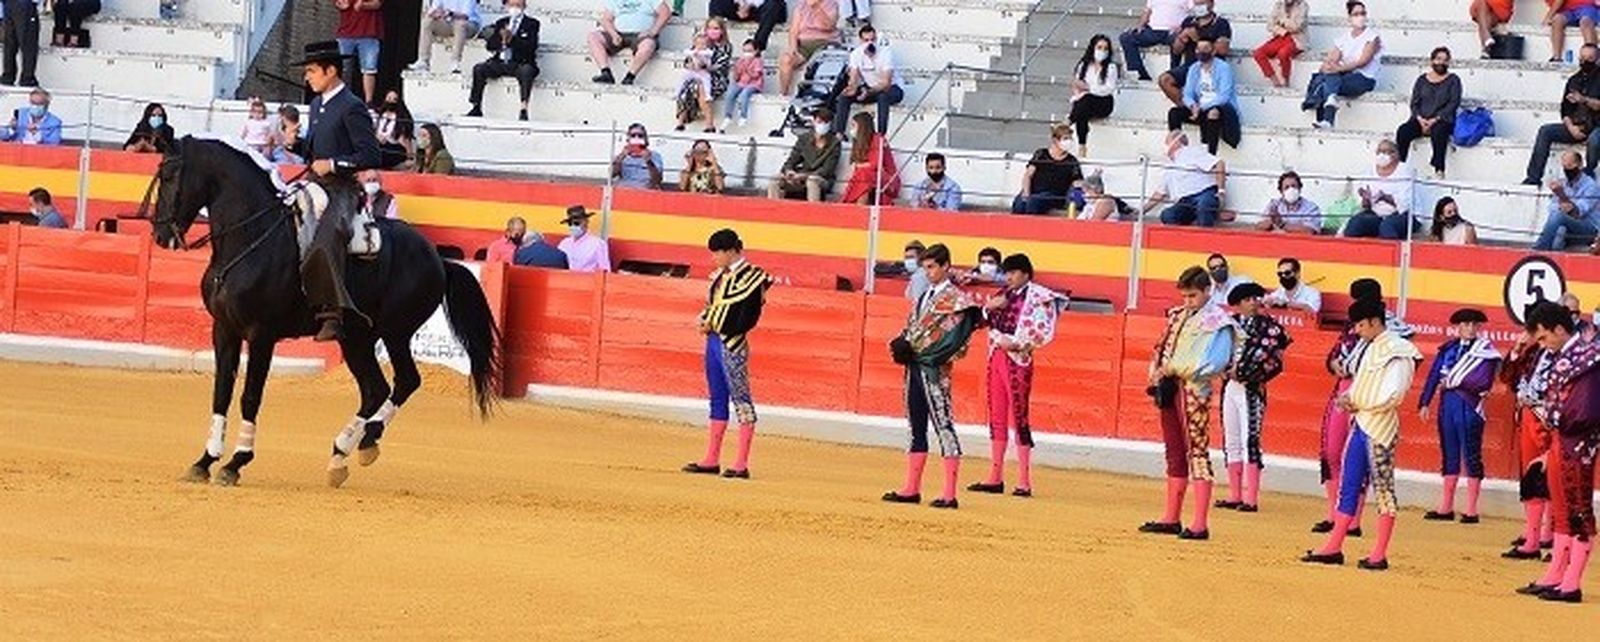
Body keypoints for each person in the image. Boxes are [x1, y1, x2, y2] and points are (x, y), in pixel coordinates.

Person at [1301, 298, 1421, 571]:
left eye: (1360, 324)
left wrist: (1358, 403)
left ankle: (1379, 554)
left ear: (1375, 322)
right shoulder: (1370, 347)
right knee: (1349, 484)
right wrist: (1348, 398)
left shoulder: (1400, 351)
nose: (1355, 330)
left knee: (1383, 490)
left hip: (1381, 428)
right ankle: (1334, 546)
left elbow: (1394, 395)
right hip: (1362, 423)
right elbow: (1362, 385)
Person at [883, 243, 983, 510]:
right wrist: (901, 343)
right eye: (925, 267)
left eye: (931, 267)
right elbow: (912, 328)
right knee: (915, 426)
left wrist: (923, 353)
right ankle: (911, 488)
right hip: (914, 368)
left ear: (945, 266)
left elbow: (955, 341)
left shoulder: (957, 300)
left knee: (943, 425)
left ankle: (949, 494)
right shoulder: (925, 296)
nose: (927, 273)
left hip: (935, 371)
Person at [295, 41, 383, 342]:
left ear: (331, 71)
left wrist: (333, 164)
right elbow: (313, 151)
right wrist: (295, 144)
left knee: (326, 238)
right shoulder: (318, 104)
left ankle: (333, 313)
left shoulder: (353, 105)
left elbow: (371, 155)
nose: (307, 77)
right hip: (314, 183)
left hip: (342, 190)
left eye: (311, 71)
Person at [1140, 265, 1236, 540]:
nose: (1187, 302)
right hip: (1170, 388)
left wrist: (1172, 368)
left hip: (1195, 389)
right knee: (1174, 451)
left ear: (1208, 291)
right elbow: (1160, 347)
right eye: (1184, 296)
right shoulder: (1178, 316)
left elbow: (1215, 362)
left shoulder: (1218, 321)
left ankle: (1199, 524)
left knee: (1197, 451)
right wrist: (1157, 375)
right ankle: (1171, 518)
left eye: (1192, 296)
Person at [1312, 278, 1412, 538]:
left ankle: (1353, 521)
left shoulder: (1392, 336)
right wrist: (1336, 367)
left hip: (1371, 403)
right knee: (1334, 452)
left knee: (1369, 466)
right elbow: (1333, 356)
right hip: (1348, 390)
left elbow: (1392, 390)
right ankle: (1336, 515)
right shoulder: (1356, 325)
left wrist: (1358, 398)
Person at [1516, 299, 1600, 602]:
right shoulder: (1568, 353)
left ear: (1560, 329)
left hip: (1577, 441)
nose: (1542, 344)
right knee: (1563, 512)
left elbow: (1585, 409)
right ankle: (1556, 576)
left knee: (1578, 510)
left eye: (1543, 337)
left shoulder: (1590, 356)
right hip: (1560, 439)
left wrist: (1555, 421)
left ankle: (1572, 583)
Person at [969, 253, 1067, 498]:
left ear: (1025, 273)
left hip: (1018, 360)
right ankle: (995, 477)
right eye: (1007, 273)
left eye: (1012, 273)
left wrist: (1018, 344)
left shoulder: (1039, 296)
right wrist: (987, 308)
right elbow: (982, 322)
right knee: (998, 415)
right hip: (996, 356)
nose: (1009, 277)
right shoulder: (1003, 294)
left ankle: (1024, 481)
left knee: (1019, 417)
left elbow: (1044, 329)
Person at [684, 229, 773, 479]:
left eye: (717, 253)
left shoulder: (754, 278)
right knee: (717, 397)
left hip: (733, 342)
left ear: (731, 251)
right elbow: (711, 306)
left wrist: (716, 324)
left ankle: (741, 464)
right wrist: (705, 321)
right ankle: (711, 459)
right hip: (712, 342)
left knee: (741, 400)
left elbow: (749, 318)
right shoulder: (719, 278)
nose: (714, 258)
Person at [1417, 308, 1500, 525]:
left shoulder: (1486, 351)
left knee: (1471, 454)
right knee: (1449, 452)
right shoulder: (1447, 349)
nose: (1471, 328)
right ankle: (1446, 507)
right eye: (1466, 324)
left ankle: (1471, 510)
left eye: (1475, 325)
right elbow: (1434, 375)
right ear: (1458, 327)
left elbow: (1483, 382)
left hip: (1470, 405)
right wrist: (1424, 402)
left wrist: (1455, 382)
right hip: (1448, 405)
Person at [1217, 283, 1291, 512]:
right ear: (1238, 305)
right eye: (1248, 299)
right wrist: (1222, 369)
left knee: (1251, 441)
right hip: (1230, 387)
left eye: (1255, 298)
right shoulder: (1230, 324)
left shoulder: (1268, 327)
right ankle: (1235, 494)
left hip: (1251, 388)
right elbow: (1218, 350)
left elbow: (1271, 356)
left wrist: (1239, 372)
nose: (1254, 302)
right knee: (1232, 440)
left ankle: (1251, 499)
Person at [1500, 327, 1556, 561]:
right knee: (1530, 477)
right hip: (1529, 416)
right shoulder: (1531, 353)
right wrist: (1516, 350)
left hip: (1552, 421)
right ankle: (1533, 540)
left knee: (1556, 479)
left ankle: (1552, 538)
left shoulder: (1567, 355)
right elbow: (1508, 380)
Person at [1524, 44, 1600, 185]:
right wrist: (1571, 127)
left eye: (1590, 58)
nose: (1585, 61)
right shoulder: (1574, 80)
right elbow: (1565, 109)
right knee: (1545, 131)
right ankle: (1533, 177)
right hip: (1577, 125)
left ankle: (1588, 173)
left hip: (1596, 126)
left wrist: (1584, 100)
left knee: (1595, 139)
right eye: (1583, 57)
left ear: (1597, 59)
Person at [1302, 1, 1382, 129]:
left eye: (1363, 13)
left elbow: (1362, 62)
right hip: (1344, 77)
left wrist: (1338, 68)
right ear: (1349, 17)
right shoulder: (1344, 39)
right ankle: (1330, 107)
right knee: (1329, 77)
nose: (1360, 17)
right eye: (1356, 14)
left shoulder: (1372, 37)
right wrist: (1328, 66)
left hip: (1364, 78)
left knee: (1328, 81)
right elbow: (1331, 59)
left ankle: (1325, 118)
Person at [1165, 36, 1240, 155]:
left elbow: (1224, 97)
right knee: (1174, 113)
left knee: (1213, 112)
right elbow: (1187, 94)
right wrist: (1193, 106)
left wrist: (1202, 108)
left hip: (1222, 108)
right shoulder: (1194, 68)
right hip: (1199, 108)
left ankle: (1210, 154)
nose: (1201, 52)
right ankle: (1177, 148)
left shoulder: (1223, 68)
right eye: (1199, 48)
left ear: (1213, 51)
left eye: (1205, 48)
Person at [467, 0, 540, 121]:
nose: (515, 8)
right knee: (479, 69)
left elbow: (531, 47)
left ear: (524, 6)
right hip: (500, 61)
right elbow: (490, 46)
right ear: (506, 6)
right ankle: (476, 106)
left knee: (527, 71)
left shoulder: (532, 23)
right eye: (512, 5)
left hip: (520, 62)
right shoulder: (501, 22)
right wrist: (499, 38)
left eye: (518, 5)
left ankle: (523, 108)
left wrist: (512, 39)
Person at [1395, 48, 1462, 179]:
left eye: (1445, 60)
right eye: (1438, 59)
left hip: (1442, 120)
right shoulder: (1421, 80)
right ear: (1432, 60)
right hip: (1421, 119)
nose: (1441, 62)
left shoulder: (1454, 80)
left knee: (1439, 132)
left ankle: (1439, 169)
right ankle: (1400, 166)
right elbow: (1414, 103)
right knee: (1403, 131)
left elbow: (1453, 103)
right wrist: (1420, 119)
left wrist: (1435, 119)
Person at [834, 23, 903, 139]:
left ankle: (881, 135)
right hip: (871, 89)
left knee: (883, 97)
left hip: (892, 89)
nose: (870, 43)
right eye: (866, 40)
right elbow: (854, 78)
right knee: (844, 97)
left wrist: (868, 91)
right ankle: (839, 133)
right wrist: (852, 88)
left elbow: (886, 84)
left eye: (873, 39)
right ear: (861, 41)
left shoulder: (885, 53)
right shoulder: (856, 54)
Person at [1156, 1, 1232, 106]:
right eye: (1196, 3)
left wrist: (1198, 39)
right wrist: (1182, 37)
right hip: (1190, 66)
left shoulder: (1221, 23)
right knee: (1165, 80)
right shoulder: (1188, 21)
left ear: (1211, 3)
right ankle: (1189, 108)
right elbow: (1176, 50)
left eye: (1202, 3)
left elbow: (1223, 50)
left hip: (1212, 67)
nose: (1199, 7)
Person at [1143, 130, 1225, 227]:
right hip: (1184, 202)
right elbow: (1159, 194)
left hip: (1203, 194)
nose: (1165, 146)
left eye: (1167, 142)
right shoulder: (1169, 167)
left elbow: (1219, 163)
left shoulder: (1192, 152)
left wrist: (1221, 192)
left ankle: (1206, 234)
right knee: (1167, 215)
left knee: (1204, 206)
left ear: (1176, 142)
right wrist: (1141, 211)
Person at [1342, 139, 1416, 239]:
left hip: (1401, 215)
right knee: (1356, 223)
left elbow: (1406, 204)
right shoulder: (1369, 171)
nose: (1382, 155)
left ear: (1396, 154)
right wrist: (1365, 199)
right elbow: (1365, 205)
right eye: (1380, 151)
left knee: (1387, 227)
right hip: (1376, 215)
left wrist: (1386, 198)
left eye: (1387, 151)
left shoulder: (1404, 170)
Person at [589, 0, 671, 85]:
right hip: (618, 34)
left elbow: (665, 13)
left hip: (641, 36)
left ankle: (630, 77)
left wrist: (653, 32)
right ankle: (606, 72)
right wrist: (613, 34)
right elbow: (606, 19)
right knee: (593, 37)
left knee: (648, 45)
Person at [1011, 123, 1085, 215]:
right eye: (1065, 138)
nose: (1069, 142)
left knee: (1034, 203)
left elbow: (1077, 181)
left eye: (1070, 138)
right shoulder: (1041, 154)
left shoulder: (1072, 161)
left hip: (1054, 195)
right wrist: (1026, 193)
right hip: (1034, 191)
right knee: (1019, 204)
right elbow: (1028, 175)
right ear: (1055, 140)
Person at [768, 108, 841, 201]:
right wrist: (789, 171)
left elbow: (827, 170)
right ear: (814, 121)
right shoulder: (804, 138)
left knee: (812, 180)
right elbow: (791, 160)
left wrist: (804, 176)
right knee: (775, 179)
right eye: (820, 121)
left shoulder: (835, 143)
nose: (823, 125)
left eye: (826, 122)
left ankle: (813, 212)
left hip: (821, 179)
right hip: (800, 176)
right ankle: (774, 210)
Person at [1534, 150, 1600, 251]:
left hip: (1589, 229)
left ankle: (1538, 249)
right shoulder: (1563, 183)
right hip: (1569, 227)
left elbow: (1577, 214)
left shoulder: (1591, 186)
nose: (1567, 170)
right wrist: (1562, 205)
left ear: (1580, 165)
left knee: (1558, 217)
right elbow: (1553, 209)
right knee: (1558, 236)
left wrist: (1561, 196)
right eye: (1564, 167)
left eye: (1570, 166)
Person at [674, 20, 732, 133]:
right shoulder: (700, 42)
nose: (712, 31)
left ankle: (709, 124)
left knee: (701, 87)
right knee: (685, 86)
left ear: (722, 31)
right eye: (710, 28)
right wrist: (691, 65)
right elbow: (687, 60)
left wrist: (704, 66)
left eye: (716, 28)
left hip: (716, 78)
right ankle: (680, 122)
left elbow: (719, 66)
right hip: (695, 73)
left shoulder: (726, 46)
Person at [1068, 35, 1120, 158]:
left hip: (1103, 102)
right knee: (1082, 110)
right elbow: (1077, 85)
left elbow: (1108, 89)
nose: (1102, 51)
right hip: (1085, 101)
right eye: (1099, 47)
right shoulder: (1083, 66)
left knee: (1085, 101)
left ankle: (1068, 122)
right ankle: (1082, 146)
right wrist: (1081, 92)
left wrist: (1089, 89)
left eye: (1105, 48)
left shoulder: (1111, 68)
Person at [777, 0, 840, 95]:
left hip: (825, 43)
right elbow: (793, 31)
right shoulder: (801, 6)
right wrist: (793, 47)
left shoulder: (831, 4)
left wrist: (816, 7)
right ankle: (783, 94)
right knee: (786, 59)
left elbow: (828, 26)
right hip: (804, 44)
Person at [1120, 0, 1190, 81]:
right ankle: (1139, 73)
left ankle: (1173, 76)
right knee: (1126, 38)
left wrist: (1183, 28)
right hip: (1153, 31)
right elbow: (1147, 11)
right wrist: (1140, 26)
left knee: (1179, 42)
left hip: (1174, 32)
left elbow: (1193, 13)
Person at [409, 0, 482, 75]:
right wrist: (435, 14)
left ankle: (455, 61)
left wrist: (450, 13)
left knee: (460, 24)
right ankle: (423, 61)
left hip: (470, 25)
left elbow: (465, 16)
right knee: (427, 22)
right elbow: (433, 10)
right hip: (449, 23)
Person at [840, 112, 899, 205]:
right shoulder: (858, 142)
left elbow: (875, 165)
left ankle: (859, 209)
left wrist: (858, 166)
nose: (851, 129)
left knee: (864, 174)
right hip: (868, 177)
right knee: (862, 175)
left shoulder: (878, 139)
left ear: (862, 127)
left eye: (853, 125)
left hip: (886, 178)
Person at [334, 0, 383, 105]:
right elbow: (338, 3)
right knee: (342, 68)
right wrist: (340, 4)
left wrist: (364, 5)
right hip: (346, 33)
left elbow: (377, 3)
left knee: (369, 69)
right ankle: (341, 98)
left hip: (369, 32)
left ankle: (369, 102)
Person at [1253, 0, 1309, 88]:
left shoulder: (1302, 5)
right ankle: (1274, 80)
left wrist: (1280, 21)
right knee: (1258, 53)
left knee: (1283, 53)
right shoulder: (1279, 4)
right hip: (1280, 36)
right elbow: (1270, 25)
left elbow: (1297, 26)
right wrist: (1283, 30)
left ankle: (1286, 79)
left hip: (1295, 39)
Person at [1256, 171, 1322, 234]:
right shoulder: (1274, 205)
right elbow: (1258, 227)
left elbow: (1310, 231)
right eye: (1286, 187)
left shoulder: (1311, 208)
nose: (1291, 190)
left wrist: (1282, 224)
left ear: (1299, 188)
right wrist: (1270, 222)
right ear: (1281, 191)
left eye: (1293, 186)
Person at [708, 0, 786, 53]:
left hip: (762, 9)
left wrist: (749, 5)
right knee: (716, 2)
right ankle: (713, 39)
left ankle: (757, 46)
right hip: (738, 8)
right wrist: (741, 4)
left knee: (775, 4)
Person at [722, 39, 764, 130]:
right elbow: (736, 78)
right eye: (745, 51)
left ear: (756, 51)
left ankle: (743, 116)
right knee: (730, 93)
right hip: (742, 83)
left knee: (744, 94)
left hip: (754, 84)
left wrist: (747, 69)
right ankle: (728, 116)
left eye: (749, 51)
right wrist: (736, 70)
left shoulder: (757, 61)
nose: (747, 53)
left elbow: (756, 76)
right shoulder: (740, 61)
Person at [558, 206, 611, 273]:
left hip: (587, 282)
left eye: (576, 223)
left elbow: (605, 271)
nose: (573, 226)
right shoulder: (564, 243)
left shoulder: (598, 244)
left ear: (586, 222)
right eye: (570, 224)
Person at [612, 123, 664, 190]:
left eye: (640, 136)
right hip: (624, 191)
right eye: (633, 135)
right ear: (628, 139)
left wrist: (649, 161)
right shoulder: (622, 155)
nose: (636, 138)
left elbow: (657, 180)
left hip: (645, 193)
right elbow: (611, 175)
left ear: (645, 139)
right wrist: (621, 158)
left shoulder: (655, 156)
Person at [1, 0, 41, 87]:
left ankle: (7, 77)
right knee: (28, 44)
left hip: (8, 5)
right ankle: (27, 78)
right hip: (25, 5)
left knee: (9, 44)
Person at [374, 91, 415, 169]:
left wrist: (410, 157)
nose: (391, 102)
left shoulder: (400, 118)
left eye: (394, 99)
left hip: (394, 147)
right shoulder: (379, 116)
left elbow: (405, 140)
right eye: (389, 98)